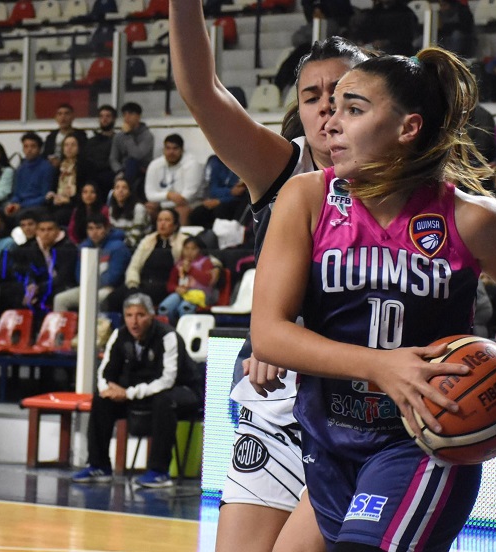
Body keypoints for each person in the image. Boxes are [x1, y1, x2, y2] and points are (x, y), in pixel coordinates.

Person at [250, 48, 496, 552]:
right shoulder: (306, 198)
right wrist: (382, 366)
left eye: (353, 108)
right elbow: (269, 333)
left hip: (426, 436)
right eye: (330, 107)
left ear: (408, 128)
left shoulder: (472, 216)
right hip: (329, 437)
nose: (330, 122)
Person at [171, 0, 370, 546]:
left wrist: (283, 337)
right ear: (301, 114)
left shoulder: (405, 183)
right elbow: (201, 92)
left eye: (342, 92)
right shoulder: (287, 167)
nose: (327, 106)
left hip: (358, 409)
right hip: (276, 403)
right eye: (312, 97)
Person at [71, 293, 200, 488]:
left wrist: (128, 393)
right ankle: (99, 466)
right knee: (101, 400)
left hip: (183, 391)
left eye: (140, 315)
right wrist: (107, 389)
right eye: (129, 315)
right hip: (142, 392)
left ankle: (159, 471)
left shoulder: (168, 336)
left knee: (163, 401)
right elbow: (104, 372)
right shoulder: (119, 335)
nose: (134, 321)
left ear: (151, 315)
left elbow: (167, 380)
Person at [105, 208, 186, 312]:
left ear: (175, 225)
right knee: (113, 298)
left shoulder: (183, 241)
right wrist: (133, 285)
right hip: (141, 283)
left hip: (164, 285)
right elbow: (134, 266)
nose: (162, 223)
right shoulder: (148, 240)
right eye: (160, 220)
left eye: (167, 220)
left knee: (135, 299)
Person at [53, 213, 131, 312]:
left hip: (110, 289)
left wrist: (93, 283)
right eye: (90, 228)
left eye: (98, 228)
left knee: (98, 298)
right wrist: (88, 284)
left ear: (107, 229)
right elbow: (79, 273)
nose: (94, 232)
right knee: (60, 299)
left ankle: (100, 327)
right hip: (87, 287)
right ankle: (62, 327)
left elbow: (114, 276)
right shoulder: (83, 247)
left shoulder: (118, 247)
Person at [17, 214, 78, 318]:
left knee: (51, 295)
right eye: (42, 230)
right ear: (37, 232)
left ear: (58, 231)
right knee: (17, 293)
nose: (46, 233)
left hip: (64, 286)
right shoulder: (34, 248)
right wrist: (31, 285)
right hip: (43, 286)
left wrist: (38, 289)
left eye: (50, 229)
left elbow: (64, 277)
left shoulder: (68, 247)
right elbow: (31, 271)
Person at [143, 134, 204, 225]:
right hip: (163, 203)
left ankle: (182, 238)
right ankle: (148, 238)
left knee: (182, 210)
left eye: (175, 148)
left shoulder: (192, 164)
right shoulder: (155, 165)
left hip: (190, 204)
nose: (171, 152)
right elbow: (149, 194)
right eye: (168, 148)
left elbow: (187, 197)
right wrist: (168, 195)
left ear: (182, 150)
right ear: (163, 150)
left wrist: (164, 202)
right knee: (148, 208)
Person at [158, 236, 218, 324]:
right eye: (186, 248)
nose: (189, 252)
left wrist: (191, 270)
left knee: (185, 307)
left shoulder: (205, 262)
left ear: (199, 250)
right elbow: (170, 284)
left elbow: (208, 281)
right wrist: (176, 288)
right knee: (165, 308)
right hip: (182, 293)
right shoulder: (179, 264)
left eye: (193, 249)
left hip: (199, 295)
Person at [188, 155, 249, 230]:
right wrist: (229, 191)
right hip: (217, 199)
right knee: (197, 213)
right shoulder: (216, 162)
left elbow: (240, 192)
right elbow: (213, 189)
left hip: (236, 201)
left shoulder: (245, 164)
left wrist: (221, 201)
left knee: (221, 210)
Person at [5, 133, 54, 219]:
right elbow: (16, 193)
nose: (29, 150)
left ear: (40, 149)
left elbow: (45, 197)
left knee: (21, 216)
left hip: (37, 206)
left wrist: (21, 205)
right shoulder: (21, 168)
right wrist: (12, 204)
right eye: (26, 146)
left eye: (33, 146)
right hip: (20, 205)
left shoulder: (46, 167)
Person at [109, 102, 154, 190]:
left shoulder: (147, 136)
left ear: (138, 116)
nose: (127, 117)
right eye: (125, 114)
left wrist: (128, 135)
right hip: (122, 169)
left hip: (142, 169)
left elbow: (137, 156)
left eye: (131, 114)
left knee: (131, 162)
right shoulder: (118, 136)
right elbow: (113, 158)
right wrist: (119, 170)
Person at [47, 133, 86, 226]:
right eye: (66, 145)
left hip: (75, 204)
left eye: (73, 145)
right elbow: (53, 187)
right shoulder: (59, 166)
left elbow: (85, 190)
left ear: (79, 147)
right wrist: (52, 195)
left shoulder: (85, 166)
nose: (69, 148)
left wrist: (68, 200)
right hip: (58, 202)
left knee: (60, 216)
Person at [82, 104, 118, 198]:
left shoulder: (118, 140)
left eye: (108, 116)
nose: (104, 119)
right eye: (101, 116)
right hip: (92, 174)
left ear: (114, 119)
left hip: (109, 173)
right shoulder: (91, 141)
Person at [108, 176, 150, 249]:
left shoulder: (139, 208)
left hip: (138, 247)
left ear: (129, 192)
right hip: (119, 245)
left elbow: (135, 237)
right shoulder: (112, 209)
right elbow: (114, 233)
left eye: (124, 188)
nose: (120, 190)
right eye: (117, 188)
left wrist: (118, 246)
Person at [42, 103, 87, 168]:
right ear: (56, 118)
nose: (63, 117)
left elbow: (83, 156)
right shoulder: (51, 136)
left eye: (66, 114)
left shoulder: (80, 136)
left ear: (73, 117)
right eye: (60, 114)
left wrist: (61, 162)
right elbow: (45, 155)